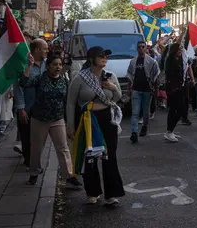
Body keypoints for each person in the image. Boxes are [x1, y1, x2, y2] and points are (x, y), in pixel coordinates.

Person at [66, 46, 125, 207]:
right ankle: (92, 192)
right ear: (91, 58)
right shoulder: (80, 78)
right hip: (88, 119)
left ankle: (111, 194)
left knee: (109, 156)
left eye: (106, 55)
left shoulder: (110, 76)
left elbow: (118, 97)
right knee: (90, 156)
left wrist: (112, 88)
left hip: (108, 119)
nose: (105, 58)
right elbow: (71, 102)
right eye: (101, 55)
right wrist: (70, 126)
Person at [20, 53, 82, 189]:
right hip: (39, 119)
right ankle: (34, 172)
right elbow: (24, 83)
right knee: (36, 148)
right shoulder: (40, 79)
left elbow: (67, 101)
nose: (58, 67)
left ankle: (69, 176)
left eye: (60, 64)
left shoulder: (64, 81)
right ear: (48, 67)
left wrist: (69, 121)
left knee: (63, 148)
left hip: (57, 118)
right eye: (55, 64)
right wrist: (29, 66)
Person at [16, 38, 48, 168]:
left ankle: (35, 159)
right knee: (26, 136)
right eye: (45, 48)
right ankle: (28, 159)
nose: (47, 51)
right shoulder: (23, 65)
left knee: (38, 138)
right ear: (36, 50)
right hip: (27, 107)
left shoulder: (48, 64)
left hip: (42, 108)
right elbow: (18, 87)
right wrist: (21, 108)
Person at [126, 41, 160, 143]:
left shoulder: (152, 61)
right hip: (136, 90)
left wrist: (156, 91)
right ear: (137, 49)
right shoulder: (133, 61)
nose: (141, 48)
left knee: (146, 112)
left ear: (146, 48)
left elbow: (156, 77)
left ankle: (144, 126)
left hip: (147, 90)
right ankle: (134, 133)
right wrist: (129, 89)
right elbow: (129, 75)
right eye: (139, 47)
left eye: (143, 47)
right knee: (135, 112)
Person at [164, 43, 194, 142]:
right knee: (180, 110)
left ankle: (170, 131)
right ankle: (169, 131)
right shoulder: (170, 60)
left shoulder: (179, 60)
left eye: (181, 49)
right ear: (174, 50)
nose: (181, 51)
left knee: (175, 110)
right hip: (173, 89)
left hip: (180, 88)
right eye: (179, 49)